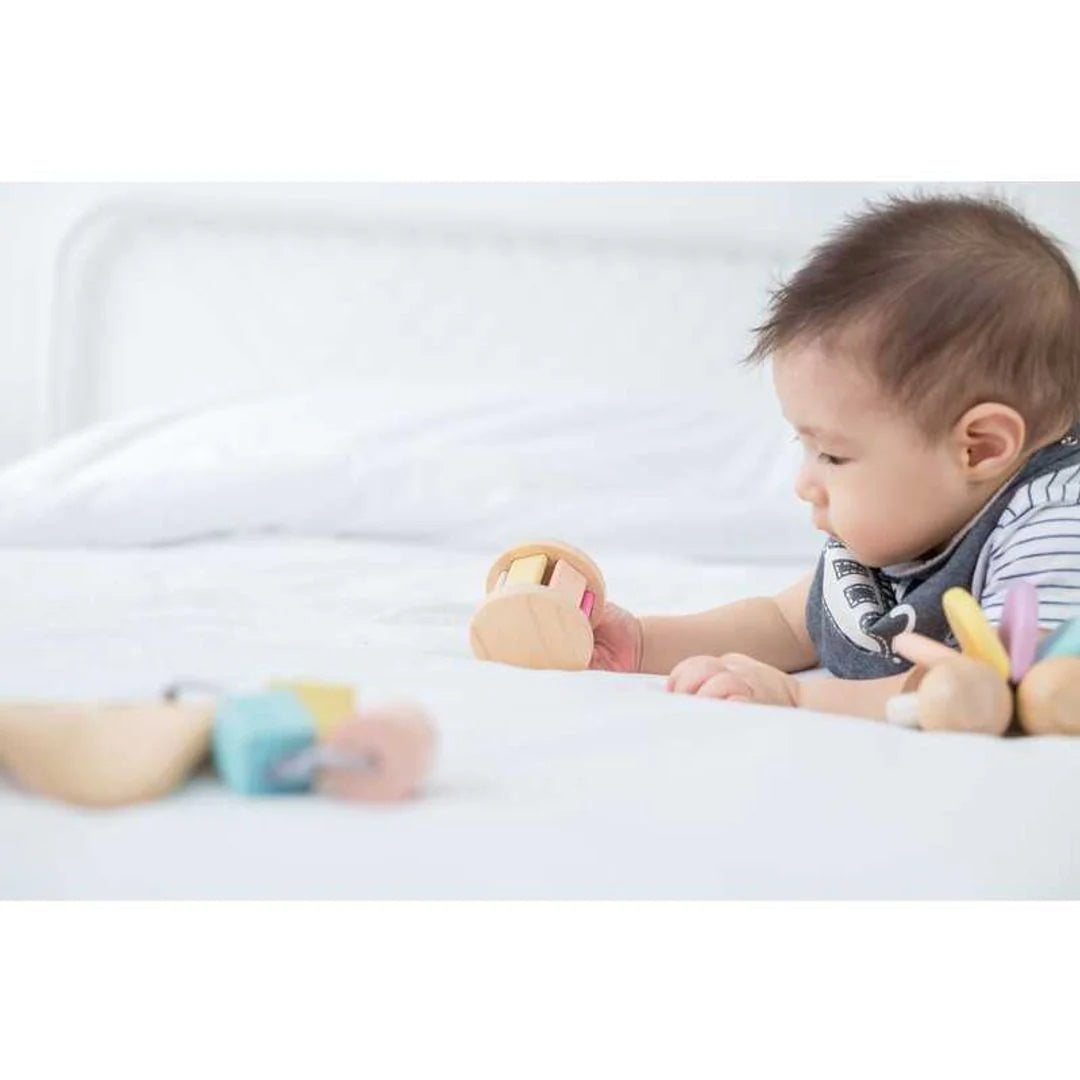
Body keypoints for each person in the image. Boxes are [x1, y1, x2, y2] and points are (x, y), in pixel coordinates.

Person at [590, 194, 1080, 722]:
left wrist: (798, 696)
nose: (805, 483)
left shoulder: (1052, 523)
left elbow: (999, 688)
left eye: (832, 455)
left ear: (979, 447)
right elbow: (786, 623)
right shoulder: (915, 515)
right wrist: (640, 642)